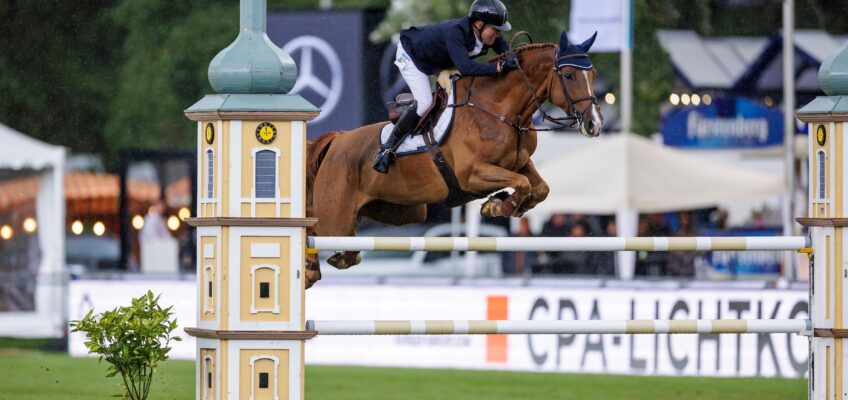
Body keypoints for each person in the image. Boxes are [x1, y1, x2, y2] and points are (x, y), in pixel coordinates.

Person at [373, 0, 519, 173]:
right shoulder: (455, 32)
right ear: (479, 24)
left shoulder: (486, 34)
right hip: (411, 55)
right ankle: (387, 149)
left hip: (438, 59)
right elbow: (466, 67)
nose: (497, 34)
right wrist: (499, 67)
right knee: (425, 102)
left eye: (499, 31)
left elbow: (505, 51)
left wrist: (512, 57)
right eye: (495, 29)